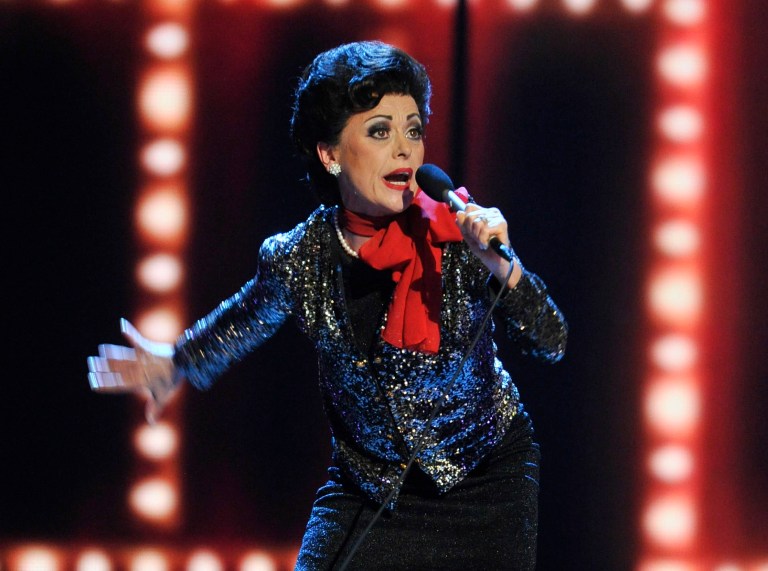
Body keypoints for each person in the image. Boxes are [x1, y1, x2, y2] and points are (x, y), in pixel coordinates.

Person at [87, 40, 567, 570]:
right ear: (330, 153)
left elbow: (552, 341)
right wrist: (176, 361)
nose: (405, 149)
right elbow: (245, 320)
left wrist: (504, 265)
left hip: (489, 478)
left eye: (413, 130)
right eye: (380, 130)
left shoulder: (458, 235)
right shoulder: (300, 257)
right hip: (369, 487)